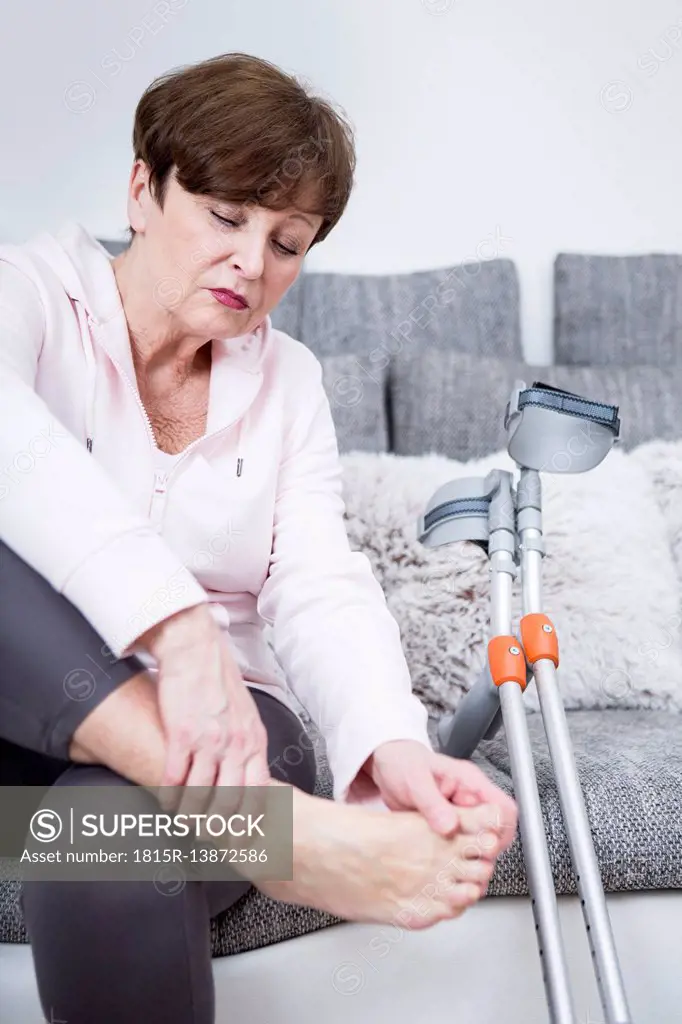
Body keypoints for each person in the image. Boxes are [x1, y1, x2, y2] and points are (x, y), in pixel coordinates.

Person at [0, 51, 518, 1024]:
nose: (253, 262)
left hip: (241, 741)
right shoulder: (26, 295)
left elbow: (317, 580)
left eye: (289, 241)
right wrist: (177, 630)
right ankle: (297, 843)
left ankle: (282, 817)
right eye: (227, 217)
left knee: (96, 841)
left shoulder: (289, 383)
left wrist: (391, 749)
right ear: (143, 190)